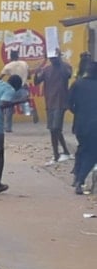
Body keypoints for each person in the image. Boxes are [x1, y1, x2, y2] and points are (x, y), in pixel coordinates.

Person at [36, 49, 73, 165]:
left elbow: (68, 75)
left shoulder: (65, 67)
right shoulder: (46, 69)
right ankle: (61, 152)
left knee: (55, 128)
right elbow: (37, 81)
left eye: (54, 58)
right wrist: (37, 72)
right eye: (51, 58)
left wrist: (60, 58)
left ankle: (58, 154)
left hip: (61, 102)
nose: (53, 60)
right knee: (54, 130)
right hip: (50, 102)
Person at [70, 58, 97, 195]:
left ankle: (76, 176)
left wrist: (79, 113)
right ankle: (80, 181)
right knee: (92, 154)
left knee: (82, 149)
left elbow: (69, 104)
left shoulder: (77, 84)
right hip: (94, 126)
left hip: (80, 125)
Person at [0, 51, 32, 132]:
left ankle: (8, 128)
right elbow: (29, 76)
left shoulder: (8, 66)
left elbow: (1, 77)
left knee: (9, 109)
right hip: (23, 87)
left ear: (10, 57)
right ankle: (30, 111)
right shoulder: (24, 64)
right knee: (25, 105)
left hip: (12, 89)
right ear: (18, 56)